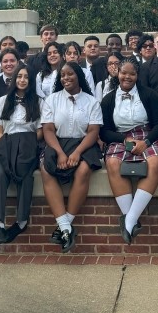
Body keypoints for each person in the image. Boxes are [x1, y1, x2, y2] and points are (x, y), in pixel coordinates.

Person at [100, 58, 158, 245]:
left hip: (148, 135)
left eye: (132, 73)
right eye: (124, 73)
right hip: (121, 138)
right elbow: (104, 131)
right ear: (117, 73)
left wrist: (146, 142)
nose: (127, 77)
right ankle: (131, 218)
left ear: (137, 75)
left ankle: (129, 221)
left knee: (156, 162)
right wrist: (124, 140)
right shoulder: (108, 100)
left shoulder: (149, 95)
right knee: (113, 163)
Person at [40, 62, 103, 253]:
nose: (66, 78)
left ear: (79, 76)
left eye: (70, 74)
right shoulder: (52, 99)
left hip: (84, 144)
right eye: (63, 75)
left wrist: (76, 153)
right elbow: (48, 129)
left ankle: (65, 224)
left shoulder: (91, 101)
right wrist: (59, 153)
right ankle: (66, 228)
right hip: (57, 142)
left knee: (83, 170)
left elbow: (93, 131)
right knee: (45, 167)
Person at [0, 65, 42, 245]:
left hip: (28, 144)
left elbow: (40, 130)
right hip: (6, 143)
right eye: (19, 76)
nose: (22, 80)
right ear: (14, 79)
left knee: (26, 175)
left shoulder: (38, 101)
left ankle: (21, 221)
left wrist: (27, 145)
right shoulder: (3, 100)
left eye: (26, 77)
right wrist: (4, 144)